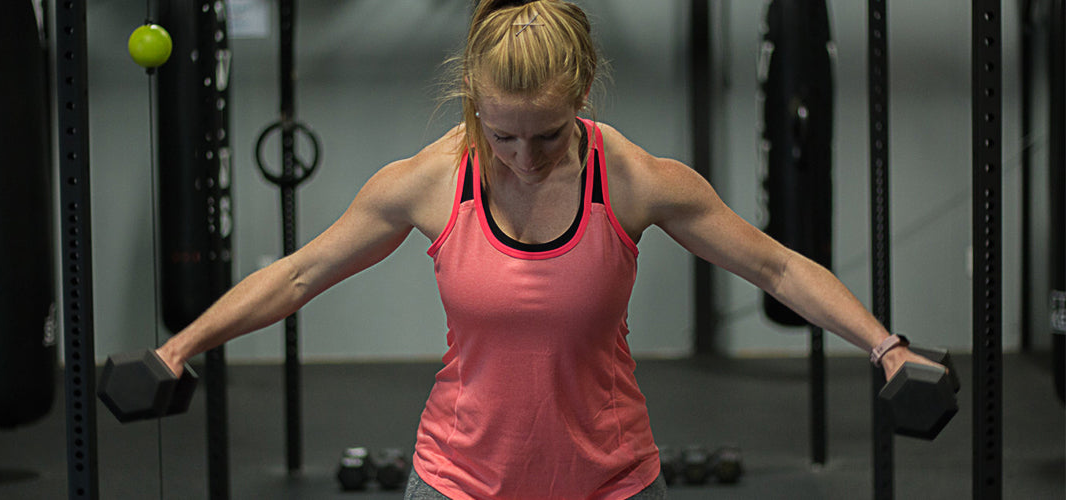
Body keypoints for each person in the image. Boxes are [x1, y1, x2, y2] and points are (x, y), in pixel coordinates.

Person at [156, 1, 942, 498]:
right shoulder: (428, 183)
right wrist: (179, 348)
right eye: (502, 136)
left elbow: (773, 264)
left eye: (549, 135)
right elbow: (297, 274)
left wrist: (885, 347)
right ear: (471, 99)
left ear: (582, 97)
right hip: (459, 481)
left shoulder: (632, 179)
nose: (525, 159)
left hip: (612, 480)